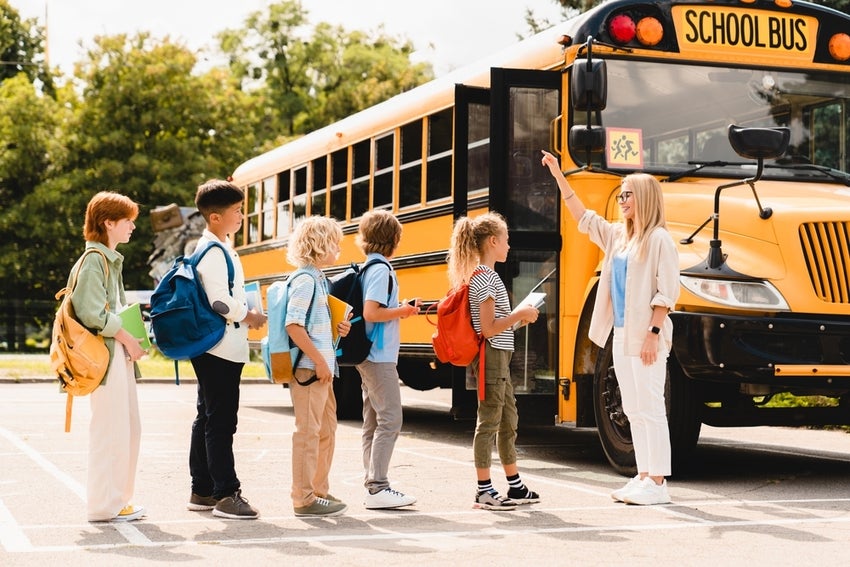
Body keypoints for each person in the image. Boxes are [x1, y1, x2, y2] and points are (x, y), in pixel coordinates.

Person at [541, 150, 680, 505]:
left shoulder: (660, 240)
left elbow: (667, 292)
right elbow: (583, 217)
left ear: (645, 198)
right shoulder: (618, 237)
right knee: (633, 407)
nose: (621, 200)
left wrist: (652, 335)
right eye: (620, 195)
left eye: (627, 195)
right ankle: (644, 475)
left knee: (650, 406)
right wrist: (559, 176)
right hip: (620, 335)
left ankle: (659, 482)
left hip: (647, 335)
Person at [446, 212, 541, 510]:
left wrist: (517, 320)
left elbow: (494, 324)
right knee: (489, 421)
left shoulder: (486, 276)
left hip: (500, 356)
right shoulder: (485, 278)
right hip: (492, 358)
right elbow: (487, 329)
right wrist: (519, 315)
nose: (510, 246)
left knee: (508, 419)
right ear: (493, 241)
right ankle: (484, 490)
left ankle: (514, 485)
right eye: (507, 240)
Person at [186, 179, 267, 519]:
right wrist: (249, 315)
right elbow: (219, 301)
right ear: (215, 217)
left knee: (207, 416)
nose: (241, 216)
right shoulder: (215, 252)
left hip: (215, 345)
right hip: (219, 346)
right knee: (221, 421)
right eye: (236, 211)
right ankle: (226, 493)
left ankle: (202, 489)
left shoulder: (216, 247)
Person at [72, 191, 148, 522]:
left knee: (126, 428)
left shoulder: (106, 259)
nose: (133, 226)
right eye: (127, 220)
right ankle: (104, 505)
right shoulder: (95, 260)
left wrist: (130, 341)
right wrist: (129, 338)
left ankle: (116, 500)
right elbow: (91, 312)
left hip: (114, 353)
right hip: (105, 357)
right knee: (111, 430)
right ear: (109, 223)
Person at [284, 216, 352, 517]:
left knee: (326, 430)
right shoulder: (305, 280)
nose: (338, 248)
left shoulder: (319, 280)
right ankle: (303, 497)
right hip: (311, 369)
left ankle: (318, 490)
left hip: (321, 369)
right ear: (319, 244)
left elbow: (310, 324)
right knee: (309, 433)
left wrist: (337, 327)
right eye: (334, 242)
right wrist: (322, 361)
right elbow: (293, 325)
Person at [354, 210, 419, 509]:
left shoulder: (370, 267)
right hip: (378, 357)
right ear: (393, 240)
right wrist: (403, 311)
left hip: (370, 355)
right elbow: (371, 312)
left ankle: (372, 483)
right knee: (391, 418)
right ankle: (378, 487)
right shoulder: (381, 270)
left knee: (373, 421)